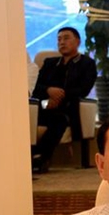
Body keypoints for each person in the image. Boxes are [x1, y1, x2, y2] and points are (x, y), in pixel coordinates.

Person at [31, 27, 97, 172]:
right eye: (59, 39)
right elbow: (36, 88)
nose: (62, 42)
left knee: (59, 120)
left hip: (69, 109)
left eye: (66, 38)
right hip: (44, 106)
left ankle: (38, 158)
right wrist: (49, 91)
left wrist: (60, 96)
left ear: (77, 42)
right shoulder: (49, 63)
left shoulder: (87, 64)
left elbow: (83, 89)